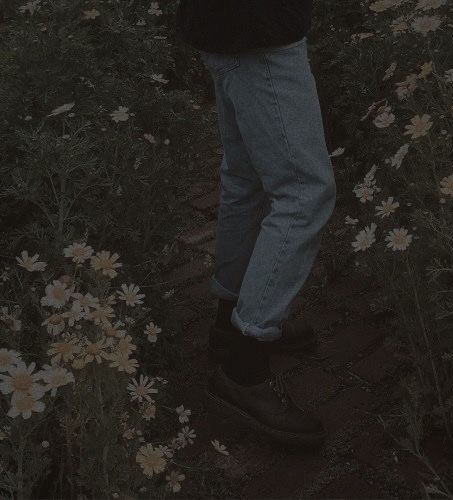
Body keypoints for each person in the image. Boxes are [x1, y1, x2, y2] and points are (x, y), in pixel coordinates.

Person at [176, 0, 336, 447]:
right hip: (259, 27)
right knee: (305, 191)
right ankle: (245, 367)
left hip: (224, 25)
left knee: (246, 179)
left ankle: (230, 326)